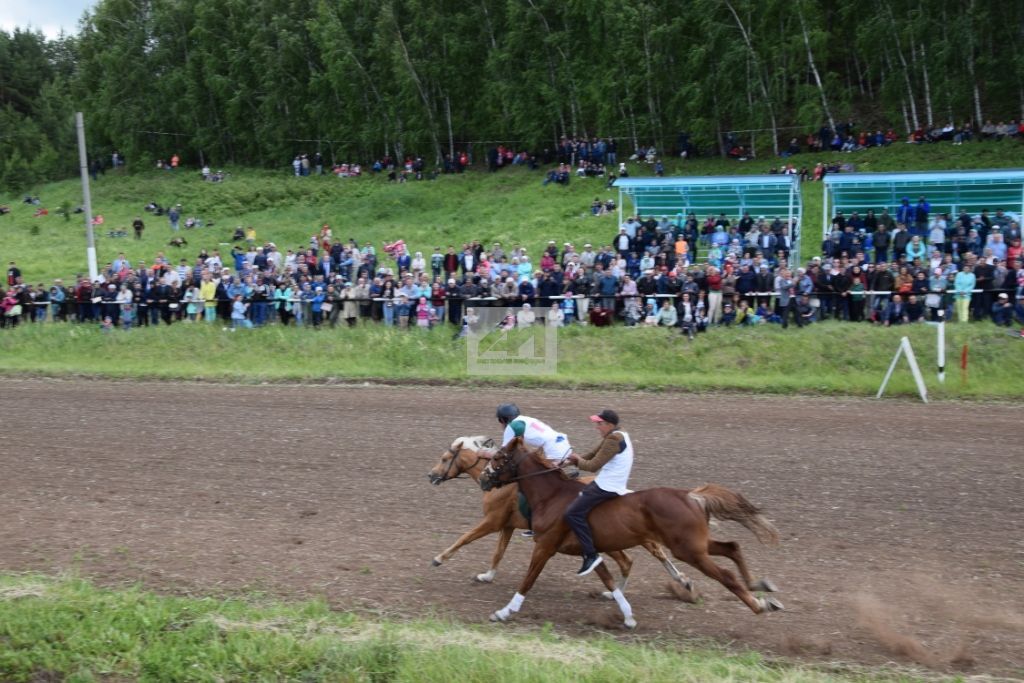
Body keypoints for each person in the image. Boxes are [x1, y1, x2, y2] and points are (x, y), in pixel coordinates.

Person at [564, 409, 633, 577]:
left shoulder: (613, 439)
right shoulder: (617, 434)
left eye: (599, 423)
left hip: (607, 486)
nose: (596, 426)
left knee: (572, 514)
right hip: (608, 482)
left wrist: (577, 461)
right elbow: (591, 454)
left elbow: (593, 465)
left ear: (609, 424)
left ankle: (590, 554)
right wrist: (565, 463)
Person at [496, 403, 573, 537]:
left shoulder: (512, 426)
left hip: (554, 450)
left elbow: (504, 453)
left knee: (535, 486)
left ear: (502, 420)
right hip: (561, 444)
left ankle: (537, 522)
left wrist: (484, 454)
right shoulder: (525, 419)